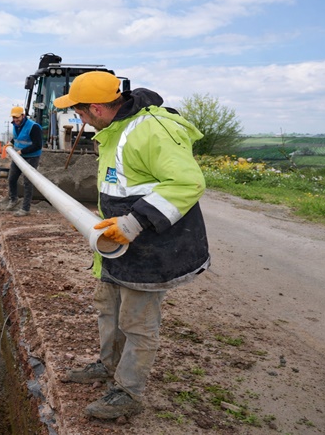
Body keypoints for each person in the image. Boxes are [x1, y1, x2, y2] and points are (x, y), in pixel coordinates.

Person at [53, 71, 210, 420]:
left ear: (96, 108)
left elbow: (187, 183)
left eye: (79, 112)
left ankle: (128, 391)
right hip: (118, 245)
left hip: (152, 246)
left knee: (138, 322)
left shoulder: (151, 129)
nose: (78, 118)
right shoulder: (112, 131)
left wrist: (133, 222)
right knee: (108, 309)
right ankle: (107, 364)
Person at [5, 106, 43, 217]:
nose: (15, 119)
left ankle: (25, 209)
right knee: (12, 178)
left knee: (28, 182)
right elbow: (18, 137)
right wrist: (11, 143)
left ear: (23, 115)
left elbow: (38, 145)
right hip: (18, 156)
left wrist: (22, 152)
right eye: (13, 117)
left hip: (31, 157)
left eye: (17, 117)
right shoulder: (15, 125)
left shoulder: (33, 127)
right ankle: (14, 199)